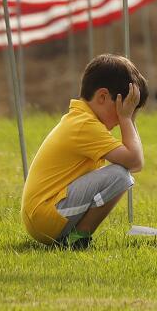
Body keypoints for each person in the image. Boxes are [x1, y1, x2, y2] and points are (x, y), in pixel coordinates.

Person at [20, 54, 147, 250]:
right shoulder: (85, 125)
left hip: (42, 217)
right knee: (120, 175)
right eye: (121, 108)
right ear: (103, 97)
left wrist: (128, 117)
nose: (123, 116)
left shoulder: (82, 119)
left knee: (120, 174)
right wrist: (127, 120)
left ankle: (72, 238)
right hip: (45, 217)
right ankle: (77, 240)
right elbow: (135, 161)